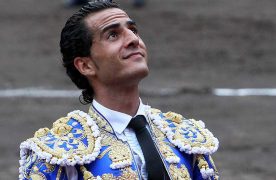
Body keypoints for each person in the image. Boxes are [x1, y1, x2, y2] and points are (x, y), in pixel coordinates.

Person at [18, 0, 219, 179]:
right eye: (113, 35)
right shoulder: (57, 154)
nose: (133, 39)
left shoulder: (185, 140)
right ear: (85, 65)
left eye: (133, 30)